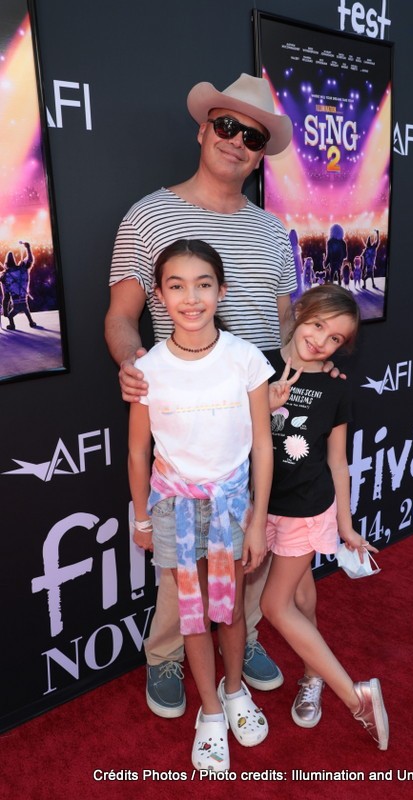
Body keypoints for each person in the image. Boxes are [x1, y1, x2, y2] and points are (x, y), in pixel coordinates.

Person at [105, 73, 295, 718]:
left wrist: (302, 380)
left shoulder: (274, 231)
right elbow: (122, 314)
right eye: (227, 126)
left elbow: (286, 321)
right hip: (184, 399)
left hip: (259, 399)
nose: (238, 141)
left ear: (262, 152)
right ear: (204, 128)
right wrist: (133, 364)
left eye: (253, 135)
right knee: (180, 547)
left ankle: (243, 646)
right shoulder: (150, 215)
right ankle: (167, 655)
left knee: (250, 537)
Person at [128, 238, 273, 771]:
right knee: (192, 615)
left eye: (203, 284)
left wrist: (257, 520)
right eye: (176, 285)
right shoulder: (149, 368)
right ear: (159, 296)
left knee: (230, 609)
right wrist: (142, 516)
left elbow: (262, 444)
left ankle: (235, 692)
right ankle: (209, 712)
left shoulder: (245, 359)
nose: (191, 298)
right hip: (173, 509)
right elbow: (138, 449)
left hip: (234, 507)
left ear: (222, 290)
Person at [261, 284, 389, 751]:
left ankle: (355, 697)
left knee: (275, 607)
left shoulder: (336, 389)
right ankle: (311, 671)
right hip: (259, 506)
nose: (321, 341)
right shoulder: (256, 364)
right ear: (299, 313)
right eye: (317, 325)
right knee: (299, 593)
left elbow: (338, 462)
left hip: (304, 510)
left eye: (335, 339)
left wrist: (346, 524)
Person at [1, 242, 37, 330]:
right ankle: (31, 322)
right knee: (26, 310)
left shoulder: (4, 276)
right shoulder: (22, 269)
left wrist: (5, 310)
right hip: (24, 300)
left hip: (16, 303)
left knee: (10, 316)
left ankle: (12, 325)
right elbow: (30, 260)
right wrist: (28, 248)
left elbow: (6, 296)